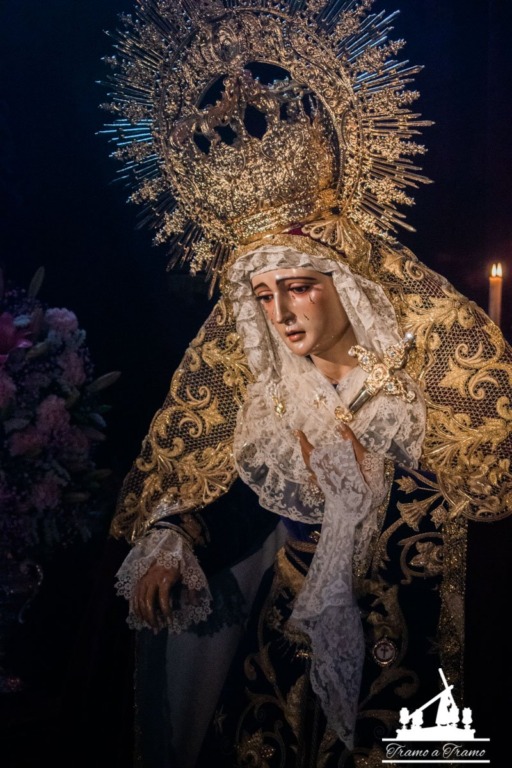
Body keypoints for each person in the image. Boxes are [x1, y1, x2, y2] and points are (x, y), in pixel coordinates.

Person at [102, 1, 512, 765]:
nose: (281, 314)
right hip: (285, 653)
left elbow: (483, 497)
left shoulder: (420, 378)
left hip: (416, 649)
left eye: (298, 287)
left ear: (344, 283)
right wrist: (176, 535)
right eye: (262, 296)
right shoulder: (268, 393)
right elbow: (224, 488)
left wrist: (402, 460)